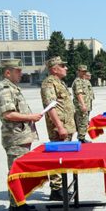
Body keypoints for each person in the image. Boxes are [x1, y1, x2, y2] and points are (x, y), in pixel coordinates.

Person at [0, 59, 44, 211]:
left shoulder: (13, 88)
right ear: (7, 72)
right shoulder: (4, 88)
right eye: (18, 71)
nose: (21, 73)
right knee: (15, 171)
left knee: (20, 171)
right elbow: (8, 114)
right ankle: (16, 205)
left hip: (21, 136)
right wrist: (30, 117)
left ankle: (19, 202)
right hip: (14, 137)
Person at [40, 56, 76, 201]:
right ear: (54, 69)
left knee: (64, 158)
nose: (66, 68)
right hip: (59, 129)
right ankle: (56, 189)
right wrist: (60, 126)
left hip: (67, 126)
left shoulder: (59, 82)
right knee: (57, 158)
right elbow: (50, 107)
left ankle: (61, 187)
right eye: (63, 66)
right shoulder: (49, 83)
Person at [72, 65, 94, 142]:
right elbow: (79, 94)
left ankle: (82, 137)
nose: (84, 73)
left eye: (85, 71)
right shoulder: (78, 81)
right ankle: (81, 138)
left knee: (85, 121)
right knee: (82, 122)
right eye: (82, 71)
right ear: (78, 72)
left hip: (87, 105)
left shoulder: (84, 81)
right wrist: (83, 105)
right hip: (81, 106)